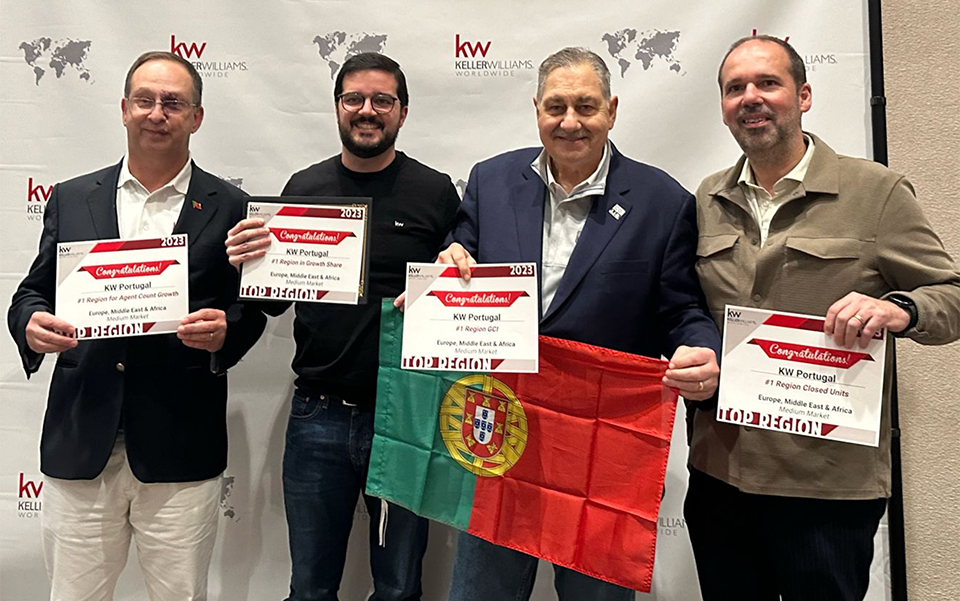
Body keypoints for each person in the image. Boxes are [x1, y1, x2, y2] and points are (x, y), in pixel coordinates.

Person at [432, 46, 721, 601]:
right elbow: (460, 255)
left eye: (586, 106)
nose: (570, 122)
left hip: (603, 446)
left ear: (612, 110)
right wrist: (447, 265)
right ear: (536, 109)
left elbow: (681, 310)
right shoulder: (490, 181)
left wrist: (699, 348)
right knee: (481, 591)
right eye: (556, 107)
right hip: (500, 431)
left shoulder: (662, 201)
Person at [686, 35, 960, 601]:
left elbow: (951, 296)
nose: (750, 98)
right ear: (723, 107)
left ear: (804, 95)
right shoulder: (707, 198)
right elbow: (688, 306)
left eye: (768, 83)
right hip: (721, 474)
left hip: (827, 485)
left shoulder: (876, 191)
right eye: (735, 88)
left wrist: (899, 308)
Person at [7, 51, 266, 601]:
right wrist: (30, 323)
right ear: (124, 109)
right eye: (145, 100)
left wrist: (227, 331)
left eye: (173, 102)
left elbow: (250, 308)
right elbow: (32, 292)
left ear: (196, 117)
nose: (157, 113)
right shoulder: (73, 197)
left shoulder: (233, 206)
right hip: (82, 439)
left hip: (181, 445)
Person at [225, 53, 460, 601]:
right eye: (354, 99)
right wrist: (245, 265)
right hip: (318, 413)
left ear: (402, 112)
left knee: (399, 588)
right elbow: (271, 304)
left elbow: (460, 293)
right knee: (309, 587)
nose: (367, 110)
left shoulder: (435, 191)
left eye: (382, 100)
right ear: (337, 108)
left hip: (407, 414)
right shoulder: (304, 187)